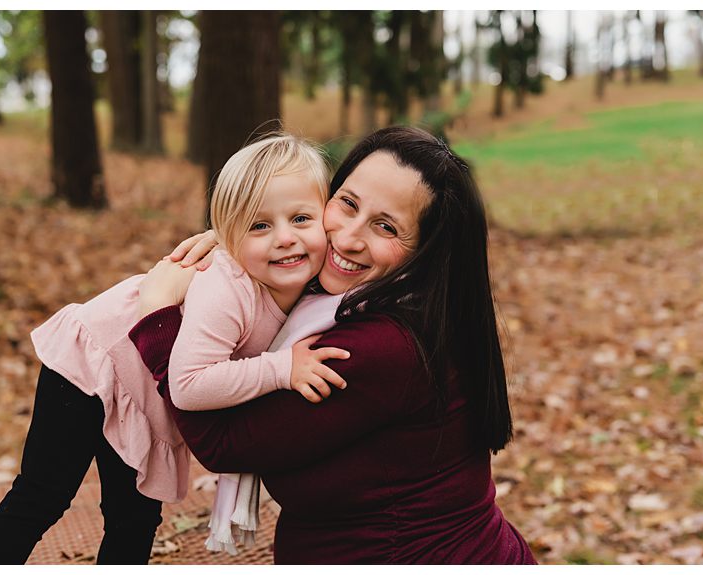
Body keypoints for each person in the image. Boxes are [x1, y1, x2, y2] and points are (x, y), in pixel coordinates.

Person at [129, 126, 537, 564]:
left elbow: (222, 441)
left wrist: (157, 317)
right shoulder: (364, 304)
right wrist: (236, 242)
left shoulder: (382, 348)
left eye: (386, 227)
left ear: (426, 250)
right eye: (347, 203)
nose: (346, 238)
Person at [0, 133, 347, 564]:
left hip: (143, 393)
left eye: (301, 218)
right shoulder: (228, 287)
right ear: (230, 236)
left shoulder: (313, 284)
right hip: (92, 365)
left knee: (134, 517)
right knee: (42, 495)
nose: (284, 238)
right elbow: (189, 384)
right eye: (260, 225)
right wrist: (281, 370)